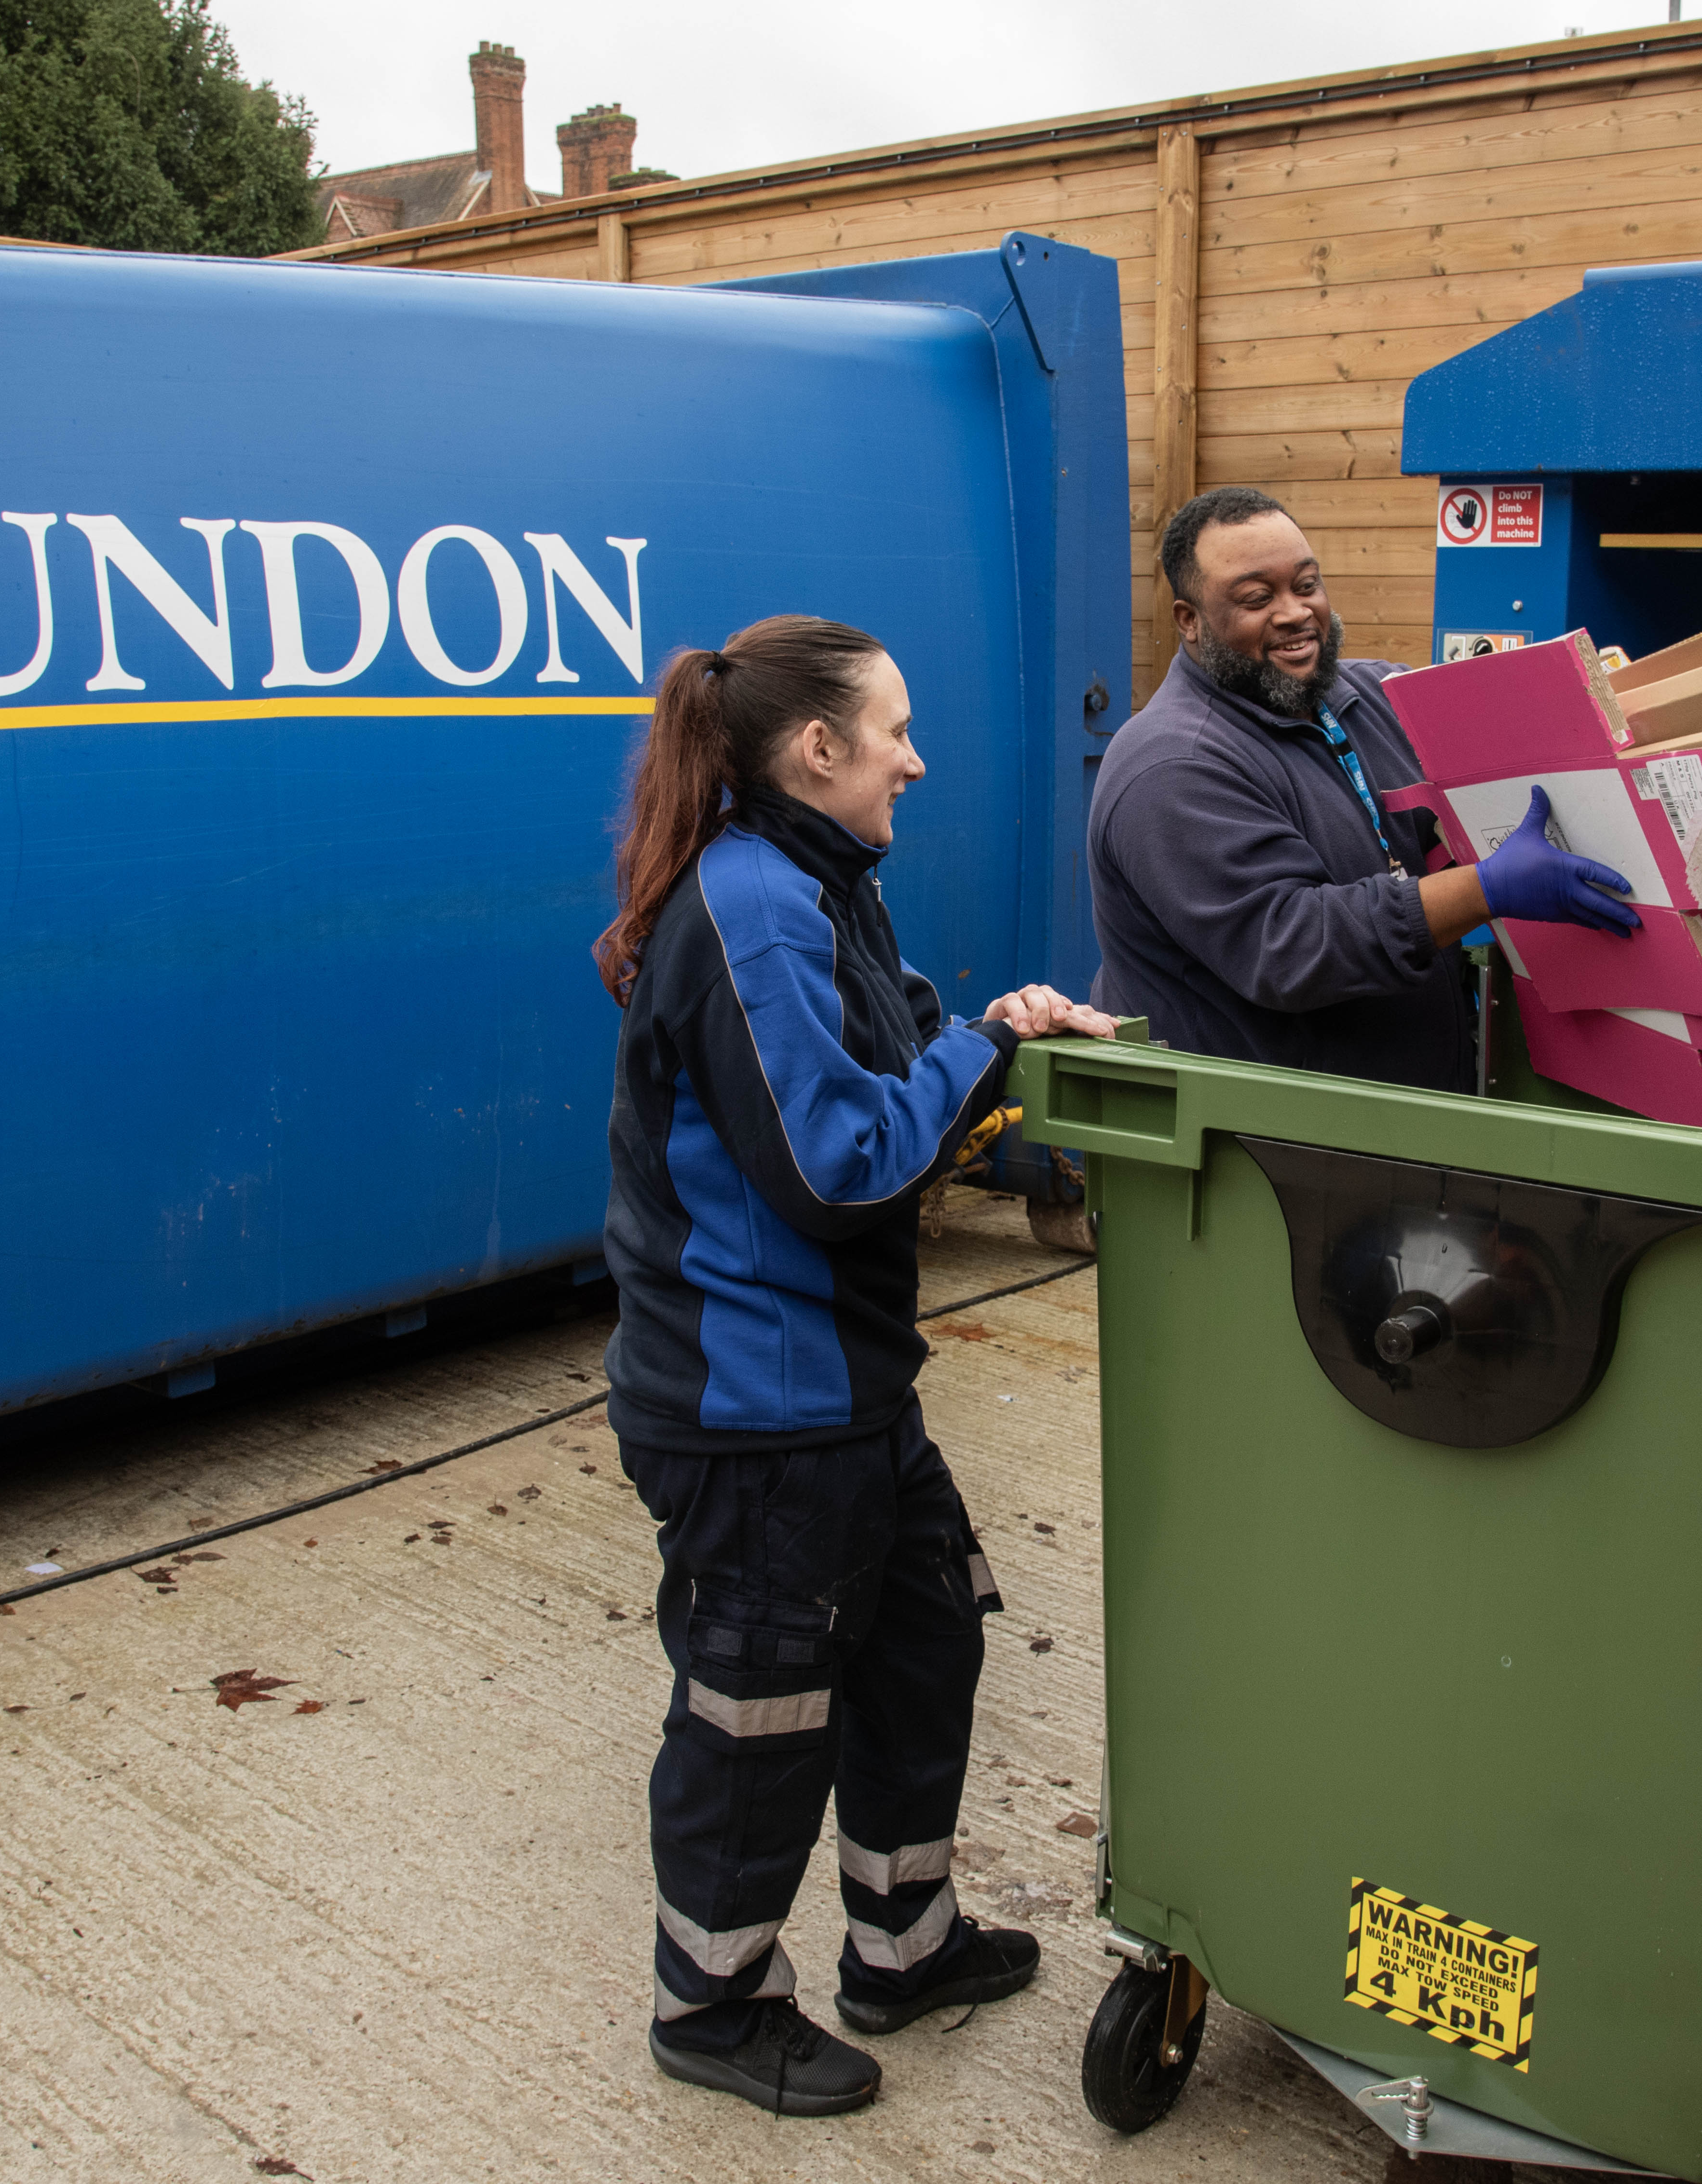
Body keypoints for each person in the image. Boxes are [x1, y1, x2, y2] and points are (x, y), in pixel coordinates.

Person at [592, 613, 1117, 2117]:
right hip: (759, 1414)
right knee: (757, 1718)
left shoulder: (821, 880)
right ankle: (714, 2001)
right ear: (817, 748)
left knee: (924, 1644)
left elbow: (884, 1062)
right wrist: (986, 1050)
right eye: (896, 730)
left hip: (843, 1391)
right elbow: (836, 1167)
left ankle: (904, 1941)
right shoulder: (755, 904)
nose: (917, 757)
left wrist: (986, 1036)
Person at [1087, 486, 1636, 1089]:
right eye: (1256, 598)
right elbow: (1289, 946)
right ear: (1190, 621)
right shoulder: (1173, 764)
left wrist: (1598, 700)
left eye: (1306, 584)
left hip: (1392, 1124)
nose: (1296, 612)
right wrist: (1484, 889)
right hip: (1257, 1143)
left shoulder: (1372, 697)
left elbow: (1503, 729)